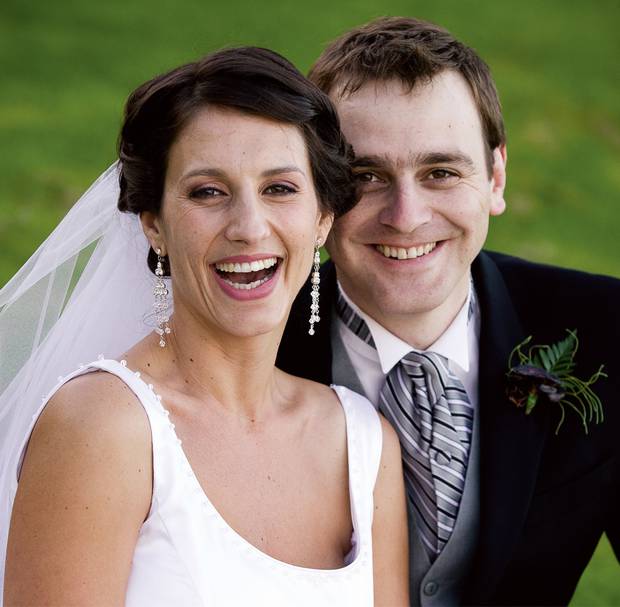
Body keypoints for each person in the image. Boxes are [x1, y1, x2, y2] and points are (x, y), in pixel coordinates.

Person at [0, 47, 409, 606]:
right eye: (207, 192)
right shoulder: (103, 428)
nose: (247, 227)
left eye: (279, 188)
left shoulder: (362, 442)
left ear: (322, 218)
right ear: (154, 225)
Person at [278, 17, 620, 607]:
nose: (406, 216)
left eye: (441, 172)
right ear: (321, 191)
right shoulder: (251, 347)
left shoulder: (607, 326)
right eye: (366, 176)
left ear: (495, 175)